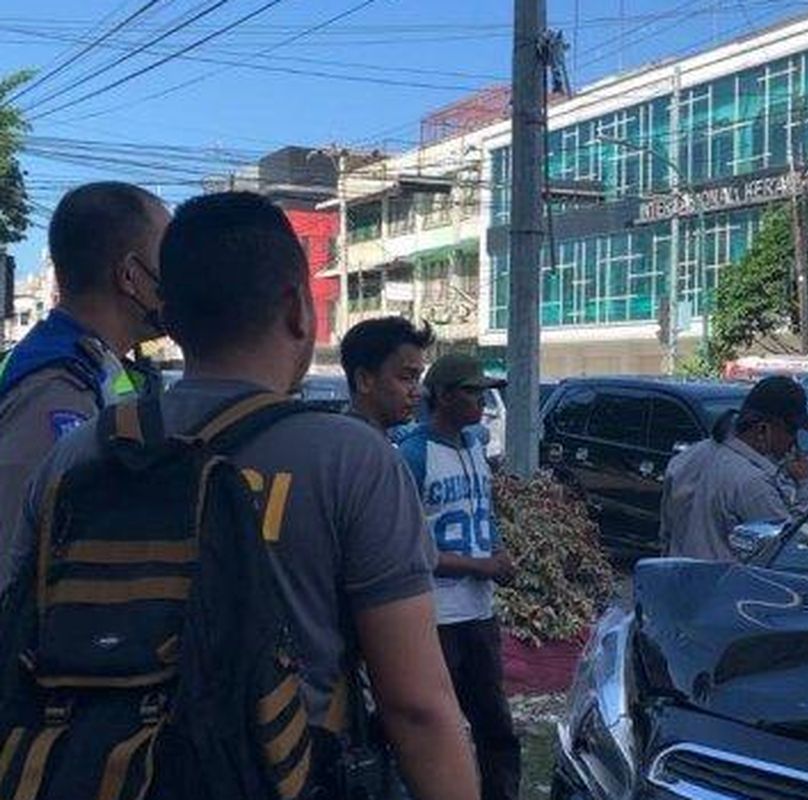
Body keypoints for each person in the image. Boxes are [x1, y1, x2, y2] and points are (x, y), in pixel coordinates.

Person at [1, 192, 479, 800]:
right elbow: (416, 709)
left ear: (169, 317)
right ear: (299, 310)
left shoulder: (80, 452)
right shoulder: (351, 461)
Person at [0, 182, 169, 556]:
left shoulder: (93, 367)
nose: (177, 278)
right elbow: (14, 555)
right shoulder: (57, 390)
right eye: (168, 259)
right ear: (130, 276)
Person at [395, 353, 521, 800]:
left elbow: (483, 512)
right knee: (436, 726)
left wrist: (498, 552)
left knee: (496, 725)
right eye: (472, 391)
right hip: (437, 616)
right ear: (443, 396)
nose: (482, 401)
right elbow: (408, 546)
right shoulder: (412, 455)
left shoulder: (474, 445)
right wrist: (478, 566)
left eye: (484, 392)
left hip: (479, 612)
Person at [661, 375, 808, 560]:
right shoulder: (752, 483)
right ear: (763, 429)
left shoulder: (686, 458)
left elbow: (666, 535)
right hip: (723, 585)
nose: (794, 442)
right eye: (791, 431)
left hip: (678, 579)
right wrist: (805, 486)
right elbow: (785, 550)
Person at [340, 316, 434, 431]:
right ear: (363, 380)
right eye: (406, 378)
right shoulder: (354, 445)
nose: (418, 392)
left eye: (418, 379)